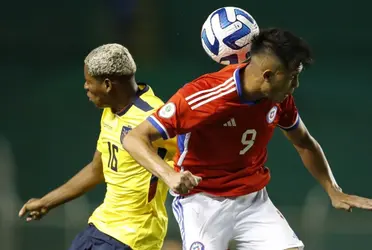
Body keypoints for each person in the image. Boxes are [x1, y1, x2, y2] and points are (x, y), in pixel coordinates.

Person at [121, 28, 372, 250]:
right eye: (293, 76)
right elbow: (134, 138)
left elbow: (304, 142)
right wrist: (169, 175)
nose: (295, 84)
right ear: (268, 75)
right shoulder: (203, 96)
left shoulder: (280, 99)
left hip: (252, 200)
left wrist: (333, 190)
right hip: (202, 200)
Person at [18, 44, 176, 250]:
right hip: (101, 226)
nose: (85, 87)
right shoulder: (111, 111)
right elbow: (97, 169)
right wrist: (47, 202)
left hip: (133, 236)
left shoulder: (155, 117)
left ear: (108, 84)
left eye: (89, 81)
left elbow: (194, 153)